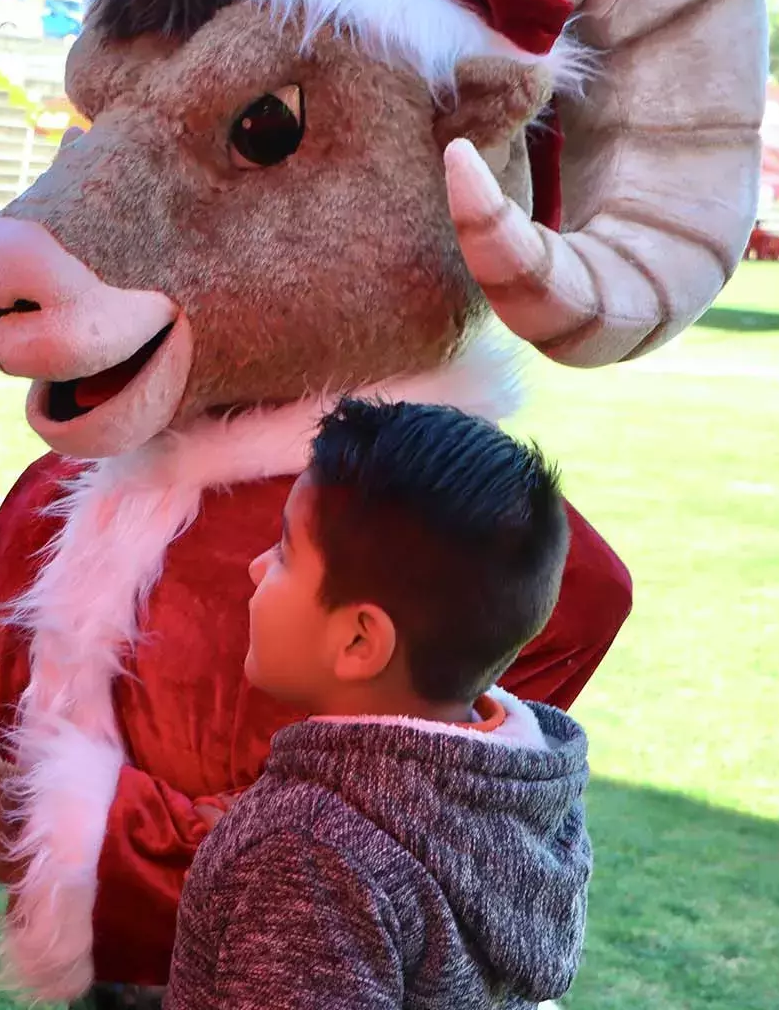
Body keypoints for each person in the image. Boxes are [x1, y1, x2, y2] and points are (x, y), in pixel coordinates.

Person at [163, 399, 593, 1010]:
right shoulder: (519, 793)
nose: (258, 568)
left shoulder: (309, 858)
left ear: (360, 641)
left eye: (285, 553)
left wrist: (277, 853)